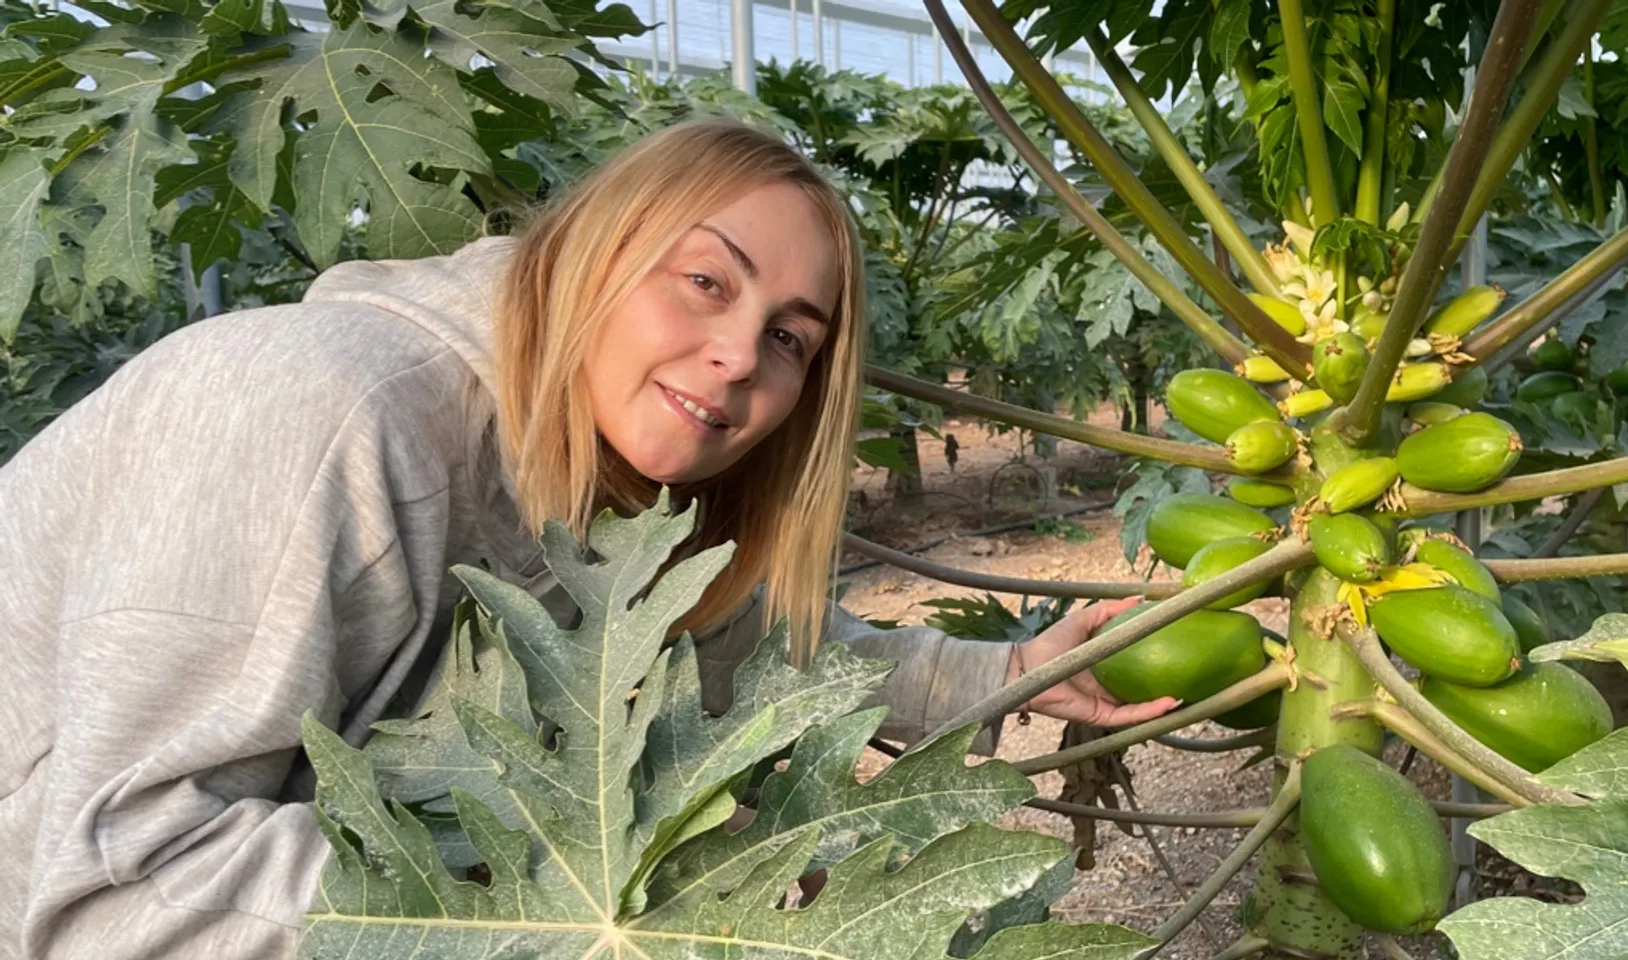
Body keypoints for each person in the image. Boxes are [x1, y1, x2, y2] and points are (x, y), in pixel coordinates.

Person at [0, 119, 1178, 959]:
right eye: (706, 280)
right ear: (590, 246)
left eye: (791, 339)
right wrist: (591, 925)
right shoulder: (315, 414)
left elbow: (739, 645)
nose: (739, 354)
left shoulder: (613, 480)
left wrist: (1010, 673)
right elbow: (121, 898)